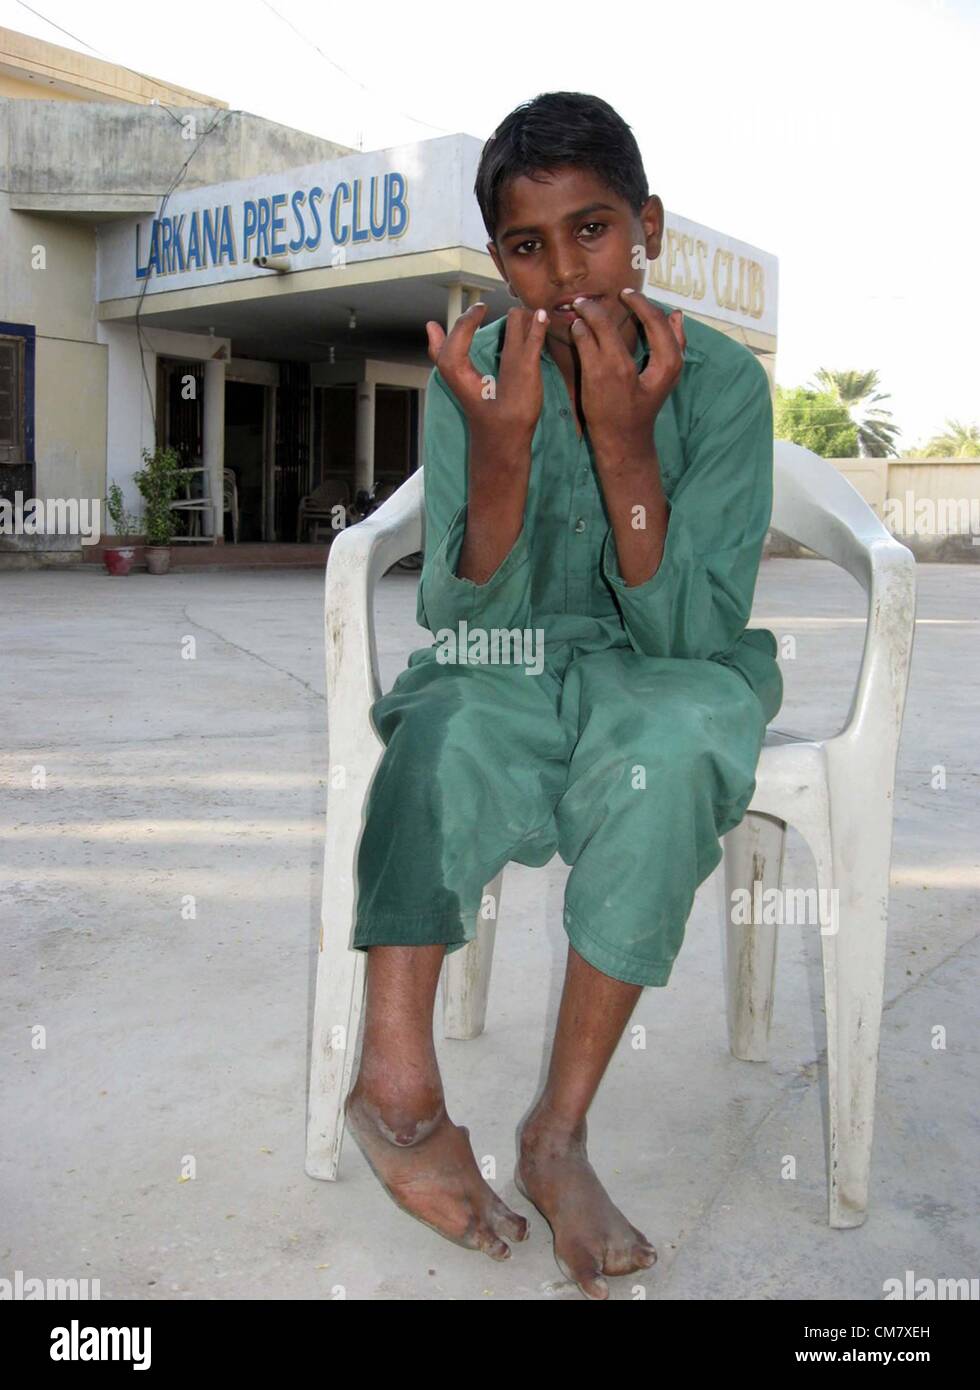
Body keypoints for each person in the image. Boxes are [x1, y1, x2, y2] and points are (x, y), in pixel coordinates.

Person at [343, 91, 783, 1300]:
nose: (562, 271)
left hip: (659, 665)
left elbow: (694, 630)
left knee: (678, 741)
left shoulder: (725, 386)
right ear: (498, 259)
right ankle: (395, 1092)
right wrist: (500, 453)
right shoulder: (472, 372)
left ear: (645, 225)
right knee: (439, 719)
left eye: (591, 230)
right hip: (514, 657)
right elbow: (460, 617)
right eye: (527, 247)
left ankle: (556, 1134)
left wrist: (623, 443)